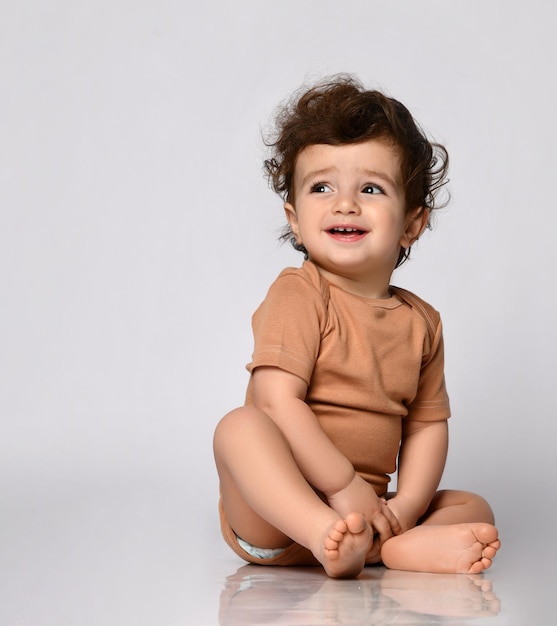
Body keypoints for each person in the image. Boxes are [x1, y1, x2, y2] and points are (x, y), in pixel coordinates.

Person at [213, 75, 500, 579]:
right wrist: (343, 486)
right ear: (295, 218)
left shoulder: (422, 323)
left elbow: (428, 427)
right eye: (321, 187)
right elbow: (277, 401)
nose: (344, 203)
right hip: (276, 517)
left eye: (370, 188)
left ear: (412, 223)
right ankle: (324, 534)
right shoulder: (301, 293)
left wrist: (404, 509)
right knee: (239, 429)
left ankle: (390, 549)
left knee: (473, 506)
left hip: (366, 511)